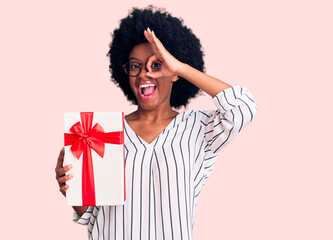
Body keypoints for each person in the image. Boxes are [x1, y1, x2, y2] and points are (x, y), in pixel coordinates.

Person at [55, 6, 258, 240]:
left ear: (173, 72)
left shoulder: (199, 128)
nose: (144, 74)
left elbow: (243, 107)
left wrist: (180, 66)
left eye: (157, 65)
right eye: (135, 66)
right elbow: (93, 216)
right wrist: (72, 190)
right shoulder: (100, 133)